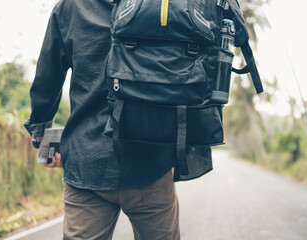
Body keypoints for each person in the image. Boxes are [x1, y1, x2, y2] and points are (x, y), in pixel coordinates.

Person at [24, 0, 212, 239]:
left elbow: (47, 78)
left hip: (87, 164)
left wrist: (42, 137)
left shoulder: (70, 7)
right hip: (150, 161)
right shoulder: (163, 5)